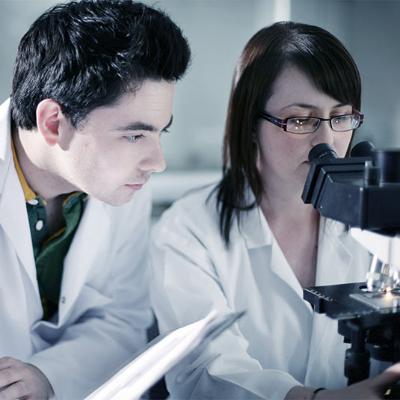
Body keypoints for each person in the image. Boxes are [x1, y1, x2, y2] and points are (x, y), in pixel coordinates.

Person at [150, 21, 400, 399]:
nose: (327, 141)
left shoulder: (379, 224)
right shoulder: (188, 231)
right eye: (301, 120)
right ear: (250, 124)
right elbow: (204, 373)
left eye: (341, 117)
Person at [0, 1, 190, 399]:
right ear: (53, 122)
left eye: (161, 133)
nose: (157, 162)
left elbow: (121, 319)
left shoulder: (122, 183)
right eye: (135, 135)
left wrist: (46, 375)